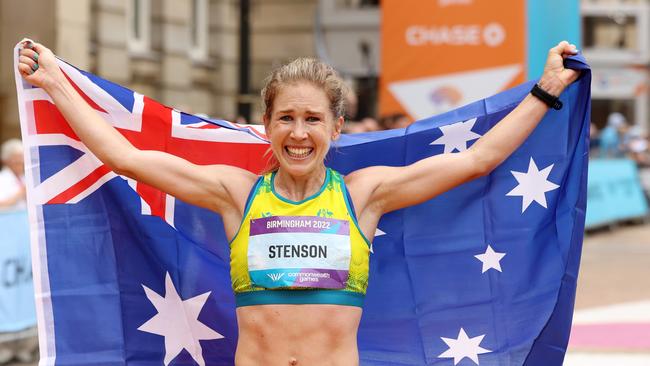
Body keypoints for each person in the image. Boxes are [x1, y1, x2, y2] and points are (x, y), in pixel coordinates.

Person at [18, 39, 579, 365]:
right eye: (286, 117)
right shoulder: (236, 195)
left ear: (336, 127)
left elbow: (475, 161)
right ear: (265, 125)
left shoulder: (364, 196)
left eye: (313, 119)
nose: (299, 132)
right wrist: (56, 84)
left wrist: (545, 90)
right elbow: (127, 159)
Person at [0, 139, 26, 210]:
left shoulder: (24, 177)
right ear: (6, 160)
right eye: (17, 160)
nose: (21, 161)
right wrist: (21, 193)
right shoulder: (2, 178)